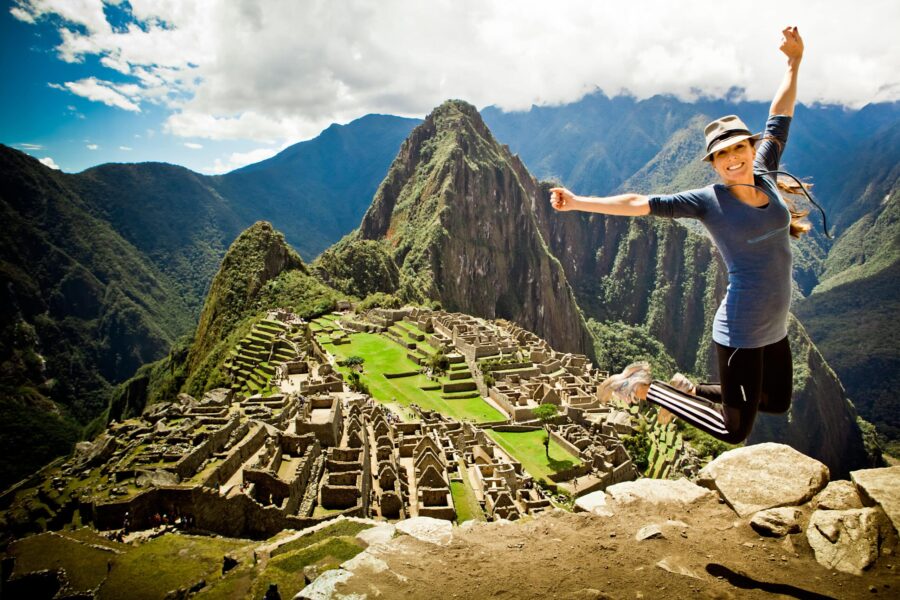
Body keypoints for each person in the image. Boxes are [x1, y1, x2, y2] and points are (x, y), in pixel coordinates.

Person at [550, 27, 807, 444]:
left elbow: (780, 116)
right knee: (732, 429)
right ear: (713, 163)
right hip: (741, 329)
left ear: (749, 147)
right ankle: (645, 389)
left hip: (773, 326)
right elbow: (638, 202)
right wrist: (579, 201)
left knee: (776, 401)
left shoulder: (765, 171)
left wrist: (794, 61)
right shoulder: (707, 201)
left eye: (738, 147)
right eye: (721, 153)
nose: (732, 158)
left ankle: (687, 389)